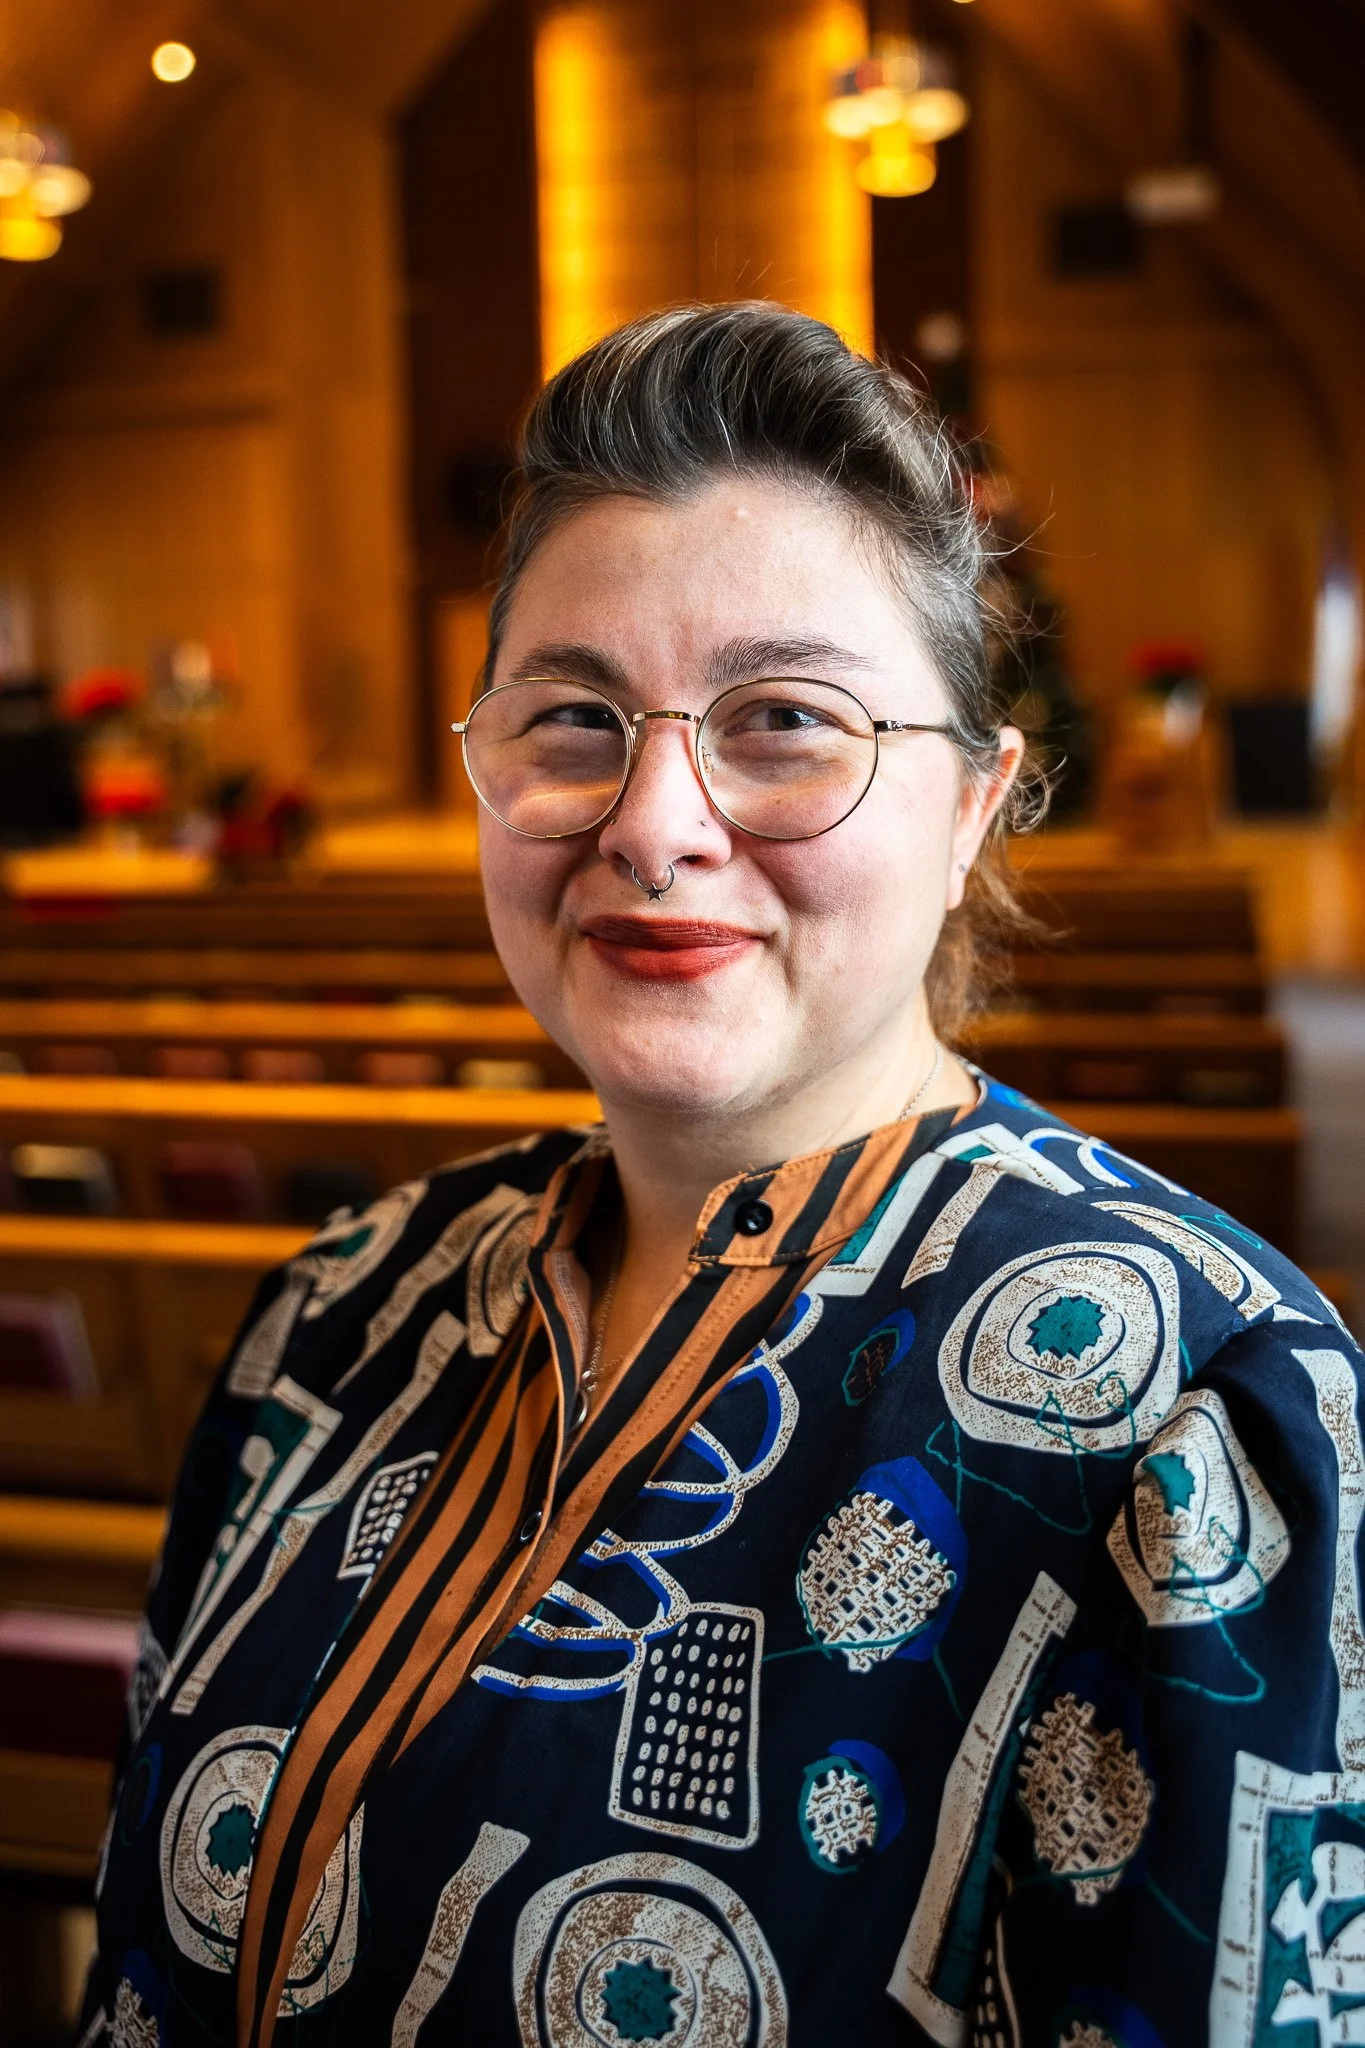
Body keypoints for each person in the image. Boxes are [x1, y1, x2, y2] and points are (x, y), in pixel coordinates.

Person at [84, 304, 1364, 2048]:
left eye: (781, 719)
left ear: (978, 800)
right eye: (573, 717)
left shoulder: (1196, 1409)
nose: (655, 821)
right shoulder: (337, 1307)